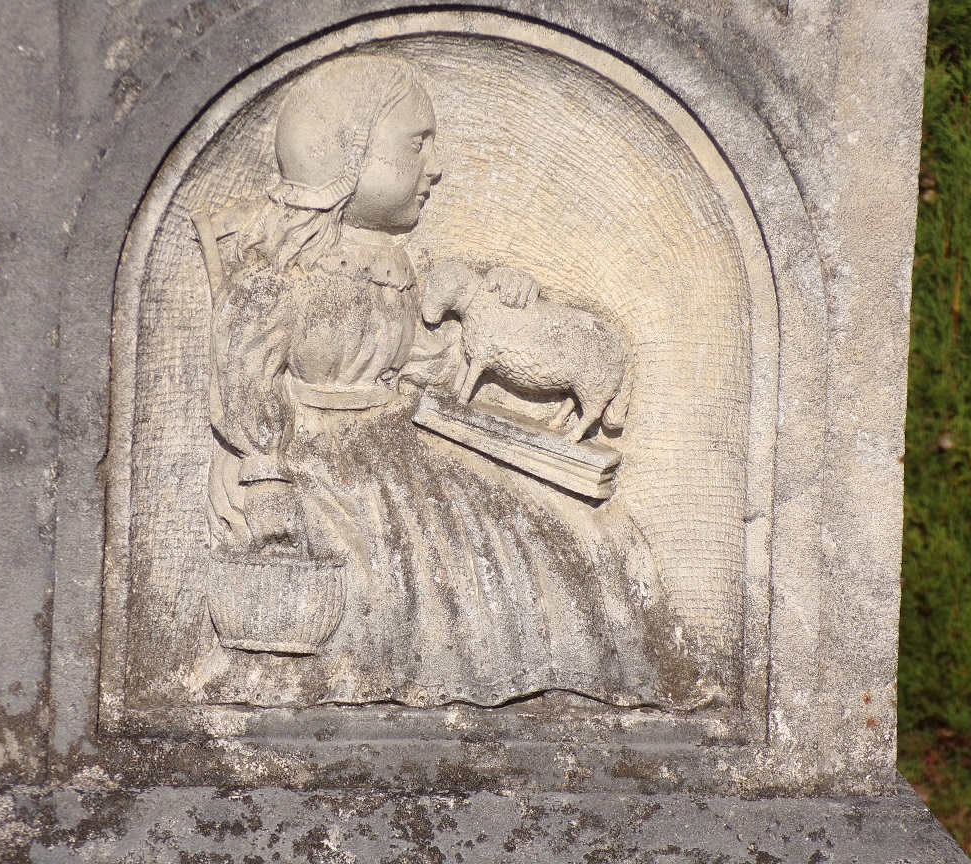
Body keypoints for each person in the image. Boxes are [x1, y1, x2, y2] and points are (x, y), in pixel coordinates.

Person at [197, 55, 697, 709]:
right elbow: (246, 386)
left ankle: (587, 664)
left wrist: (505, 301)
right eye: (417, 144)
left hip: (406, 444)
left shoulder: (406, 265)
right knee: (433, 562)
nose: (434, 166)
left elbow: (442, 355)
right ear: (346, 156)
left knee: (580, 529)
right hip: (324, 473)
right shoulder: (276, 274)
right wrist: (268, 483)